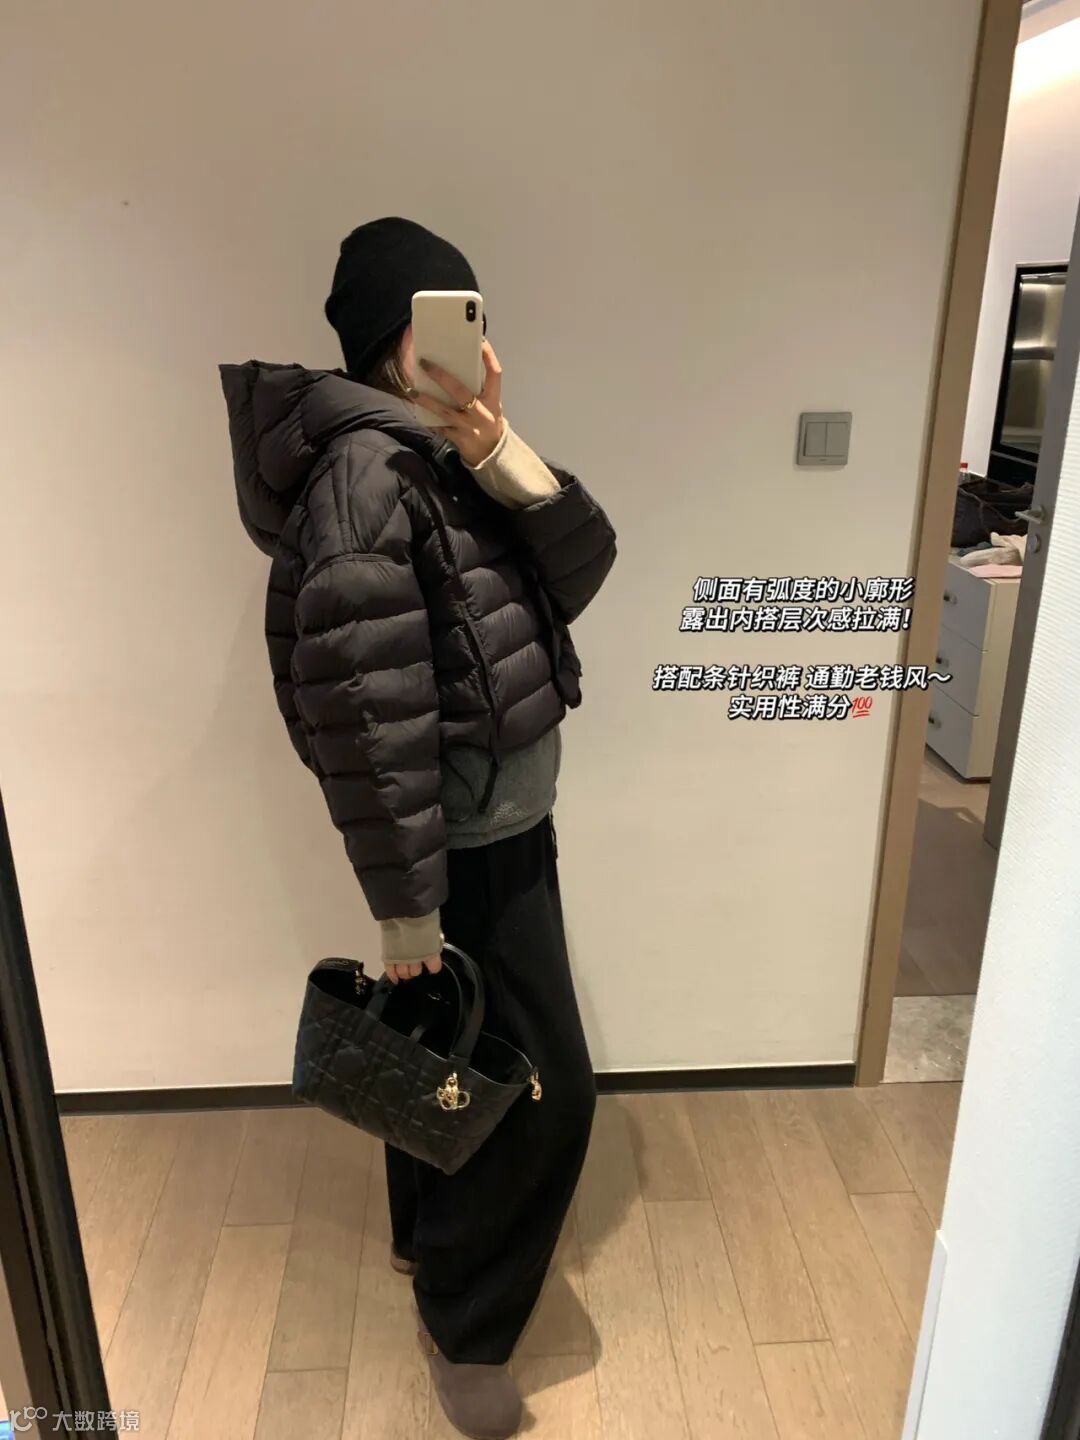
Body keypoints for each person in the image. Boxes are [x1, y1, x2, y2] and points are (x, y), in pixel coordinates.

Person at [219, 216, 617, 1440]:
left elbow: (582, 570)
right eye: (448, 318)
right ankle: (467, 1322)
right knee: (548, 1092)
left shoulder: (443, 454)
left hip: (504, 817)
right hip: (466, 840)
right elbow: (365, 715)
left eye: (476, 316)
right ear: (396, 338)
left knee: (445, 1054)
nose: (475, 343)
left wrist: (503, 452)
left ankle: (425, 1243)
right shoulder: (365, 478)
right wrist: (406, 910)